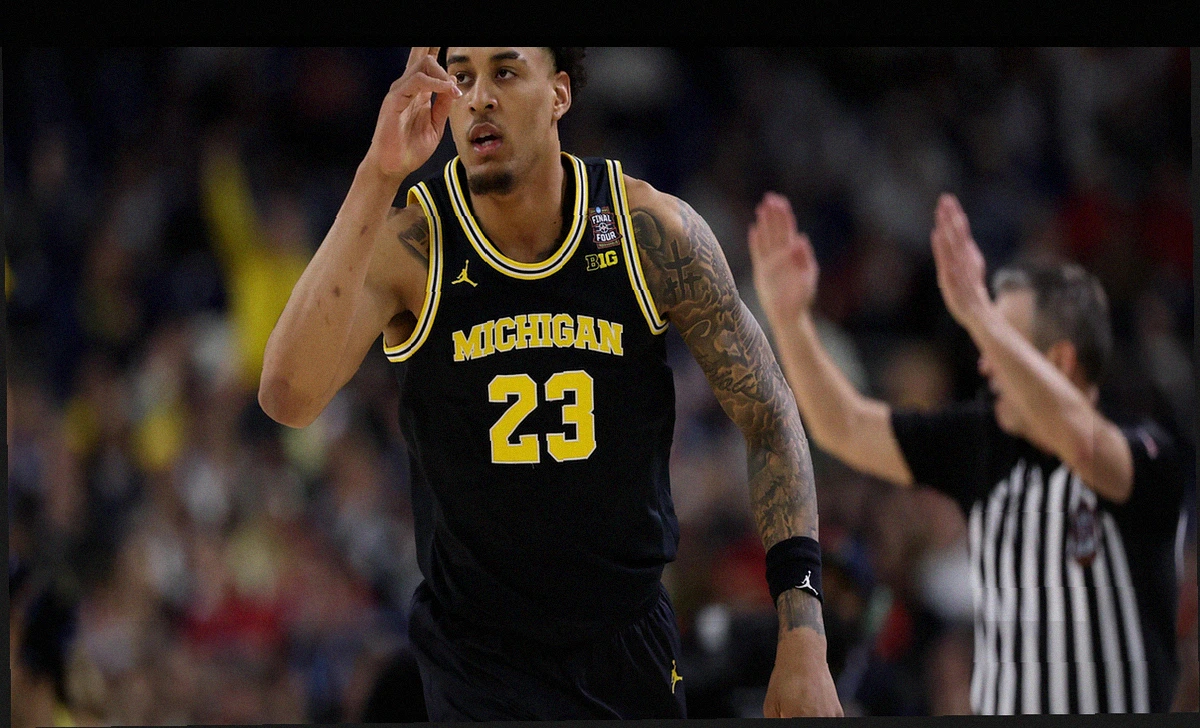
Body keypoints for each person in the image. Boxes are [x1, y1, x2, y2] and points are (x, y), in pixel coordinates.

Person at [258, 47, 843, 719]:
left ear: (559, 93)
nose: (479, 97)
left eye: (505, 72)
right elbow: (286, 396)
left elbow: (770, 415)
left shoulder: (649, 230)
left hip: (629, 641)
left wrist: (804, 636)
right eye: (462, 77)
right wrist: (377, 174)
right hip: (478, 658)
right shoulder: (416, 243)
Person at [749, 191, 1185, 714]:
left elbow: (1084, 444)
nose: (984, 363)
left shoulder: (1150, 453)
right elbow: (844, 426)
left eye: (1001, 341)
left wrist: (977, 309)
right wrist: (790, 321)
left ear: (1060, 363)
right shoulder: (983, 440)